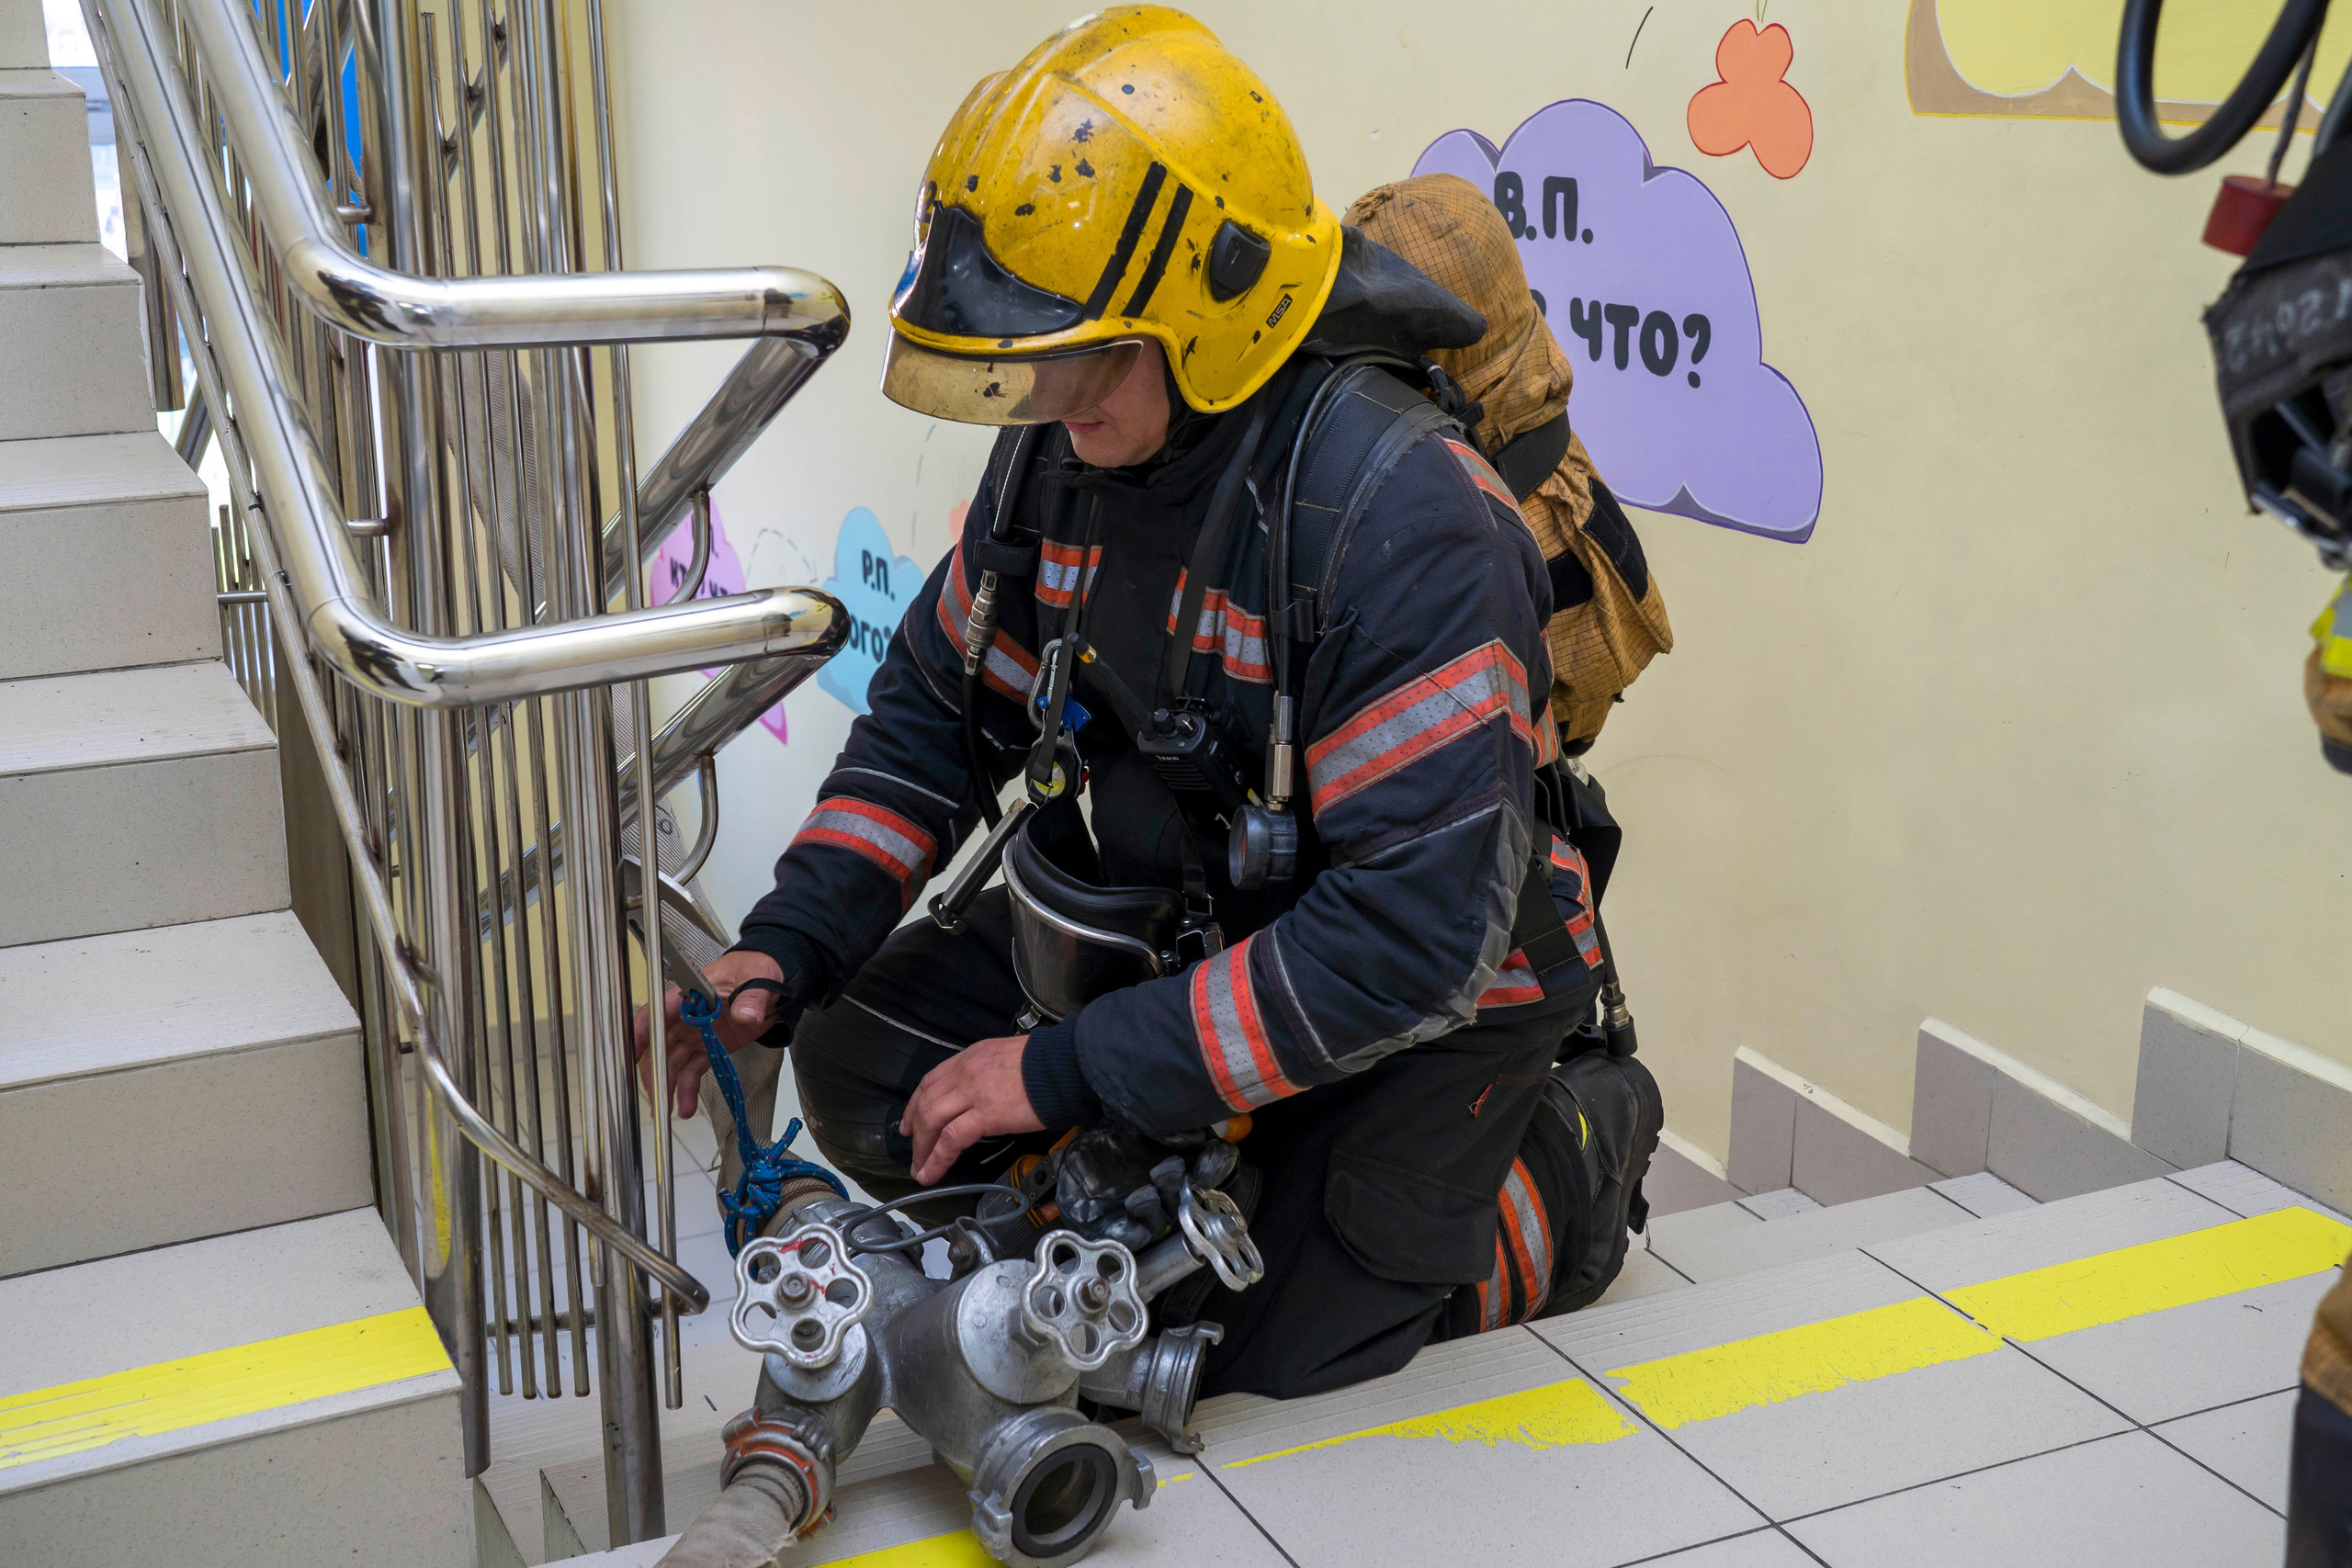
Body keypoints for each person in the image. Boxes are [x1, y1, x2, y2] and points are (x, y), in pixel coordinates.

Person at [636, 4, 1660, 1400]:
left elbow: (1409, 941)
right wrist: (785, 949)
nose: (1047, 398)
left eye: (1085, 355)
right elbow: (935, 718)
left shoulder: (1404, 518)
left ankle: (1571, 1158)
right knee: (866, 1066)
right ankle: (1148, 1173)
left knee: (1246, 1336)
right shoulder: (1067, 457)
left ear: (1213, 313)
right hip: (1190, 927)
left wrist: (1064, 1075)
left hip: (1425, 982)